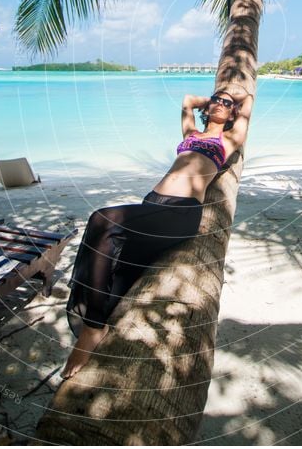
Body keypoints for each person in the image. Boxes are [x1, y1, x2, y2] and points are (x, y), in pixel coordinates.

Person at [60, 87, 253, 378]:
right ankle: (102, 325)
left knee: (102, 219)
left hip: (181, 211)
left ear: (232, 114)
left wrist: (234, 100)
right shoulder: (191, 135)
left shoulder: (228, 140)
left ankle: (92, 329)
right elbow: (187, 101)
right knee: (118, 274)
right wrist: (213, 101)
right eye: (216, 100)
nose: (219, 104)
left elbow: (248, 102)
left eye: (227, 104)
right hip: (152, 202)